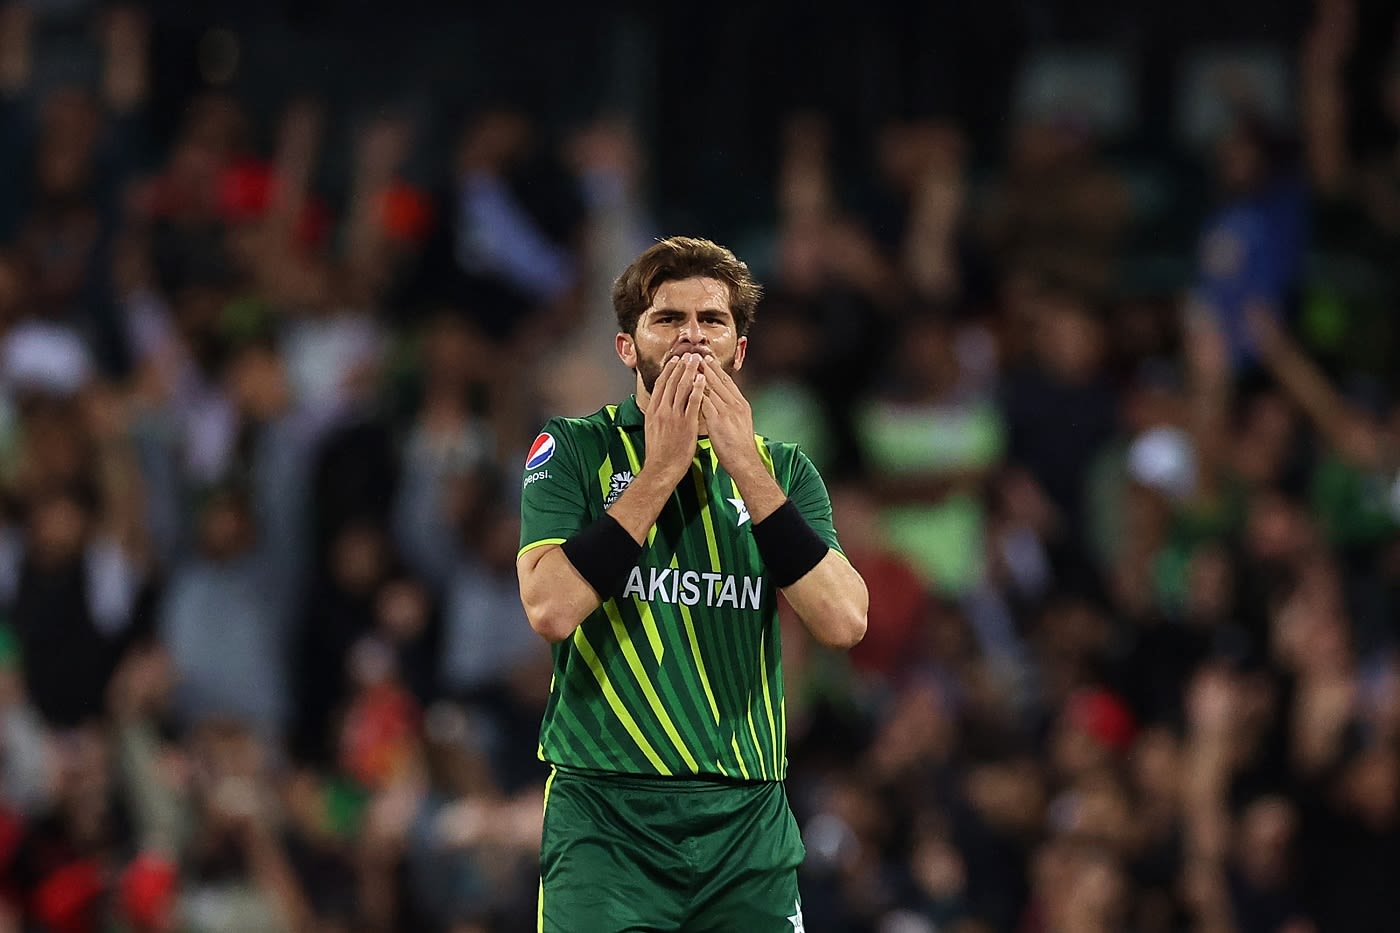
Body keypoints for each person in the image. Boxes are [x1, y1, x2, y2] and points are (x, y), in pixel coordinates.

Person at [516, 236, 869, 931]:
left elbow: (844, 620)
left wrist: (743, 461)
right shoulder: (574, 450)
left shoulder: (785, 471)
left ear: (739, 350)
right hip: (606, 821)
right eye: (668, 319)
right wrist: (661, 471)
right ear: (628, 347)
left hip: (745, 825)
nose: (692, 337)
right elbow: (551, 607)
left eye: (712, 320)